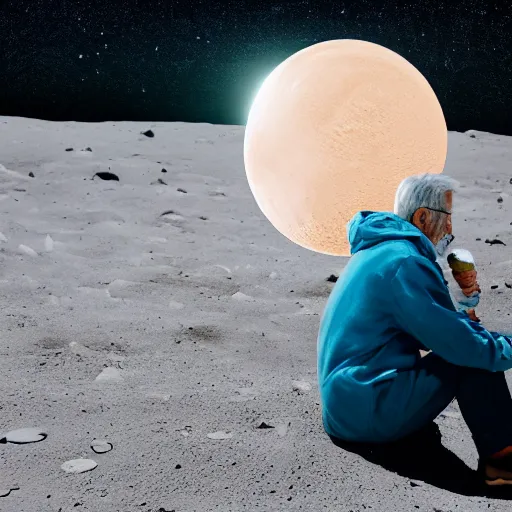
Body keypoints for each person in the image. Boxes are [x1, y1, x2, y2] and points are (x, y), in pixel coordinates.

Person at [317, 173, 512, 486]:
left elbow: (429, 329)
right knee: (472, 358)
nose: (451, 230)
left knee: (469, 346)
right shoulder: (406, 262)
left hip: (345, 406)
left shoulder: (379, 249)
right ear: (422, 216)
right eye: (447, 219)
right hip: (367, 410)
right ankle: (504, 465)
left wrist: (465, 315)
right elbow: (461, 345)